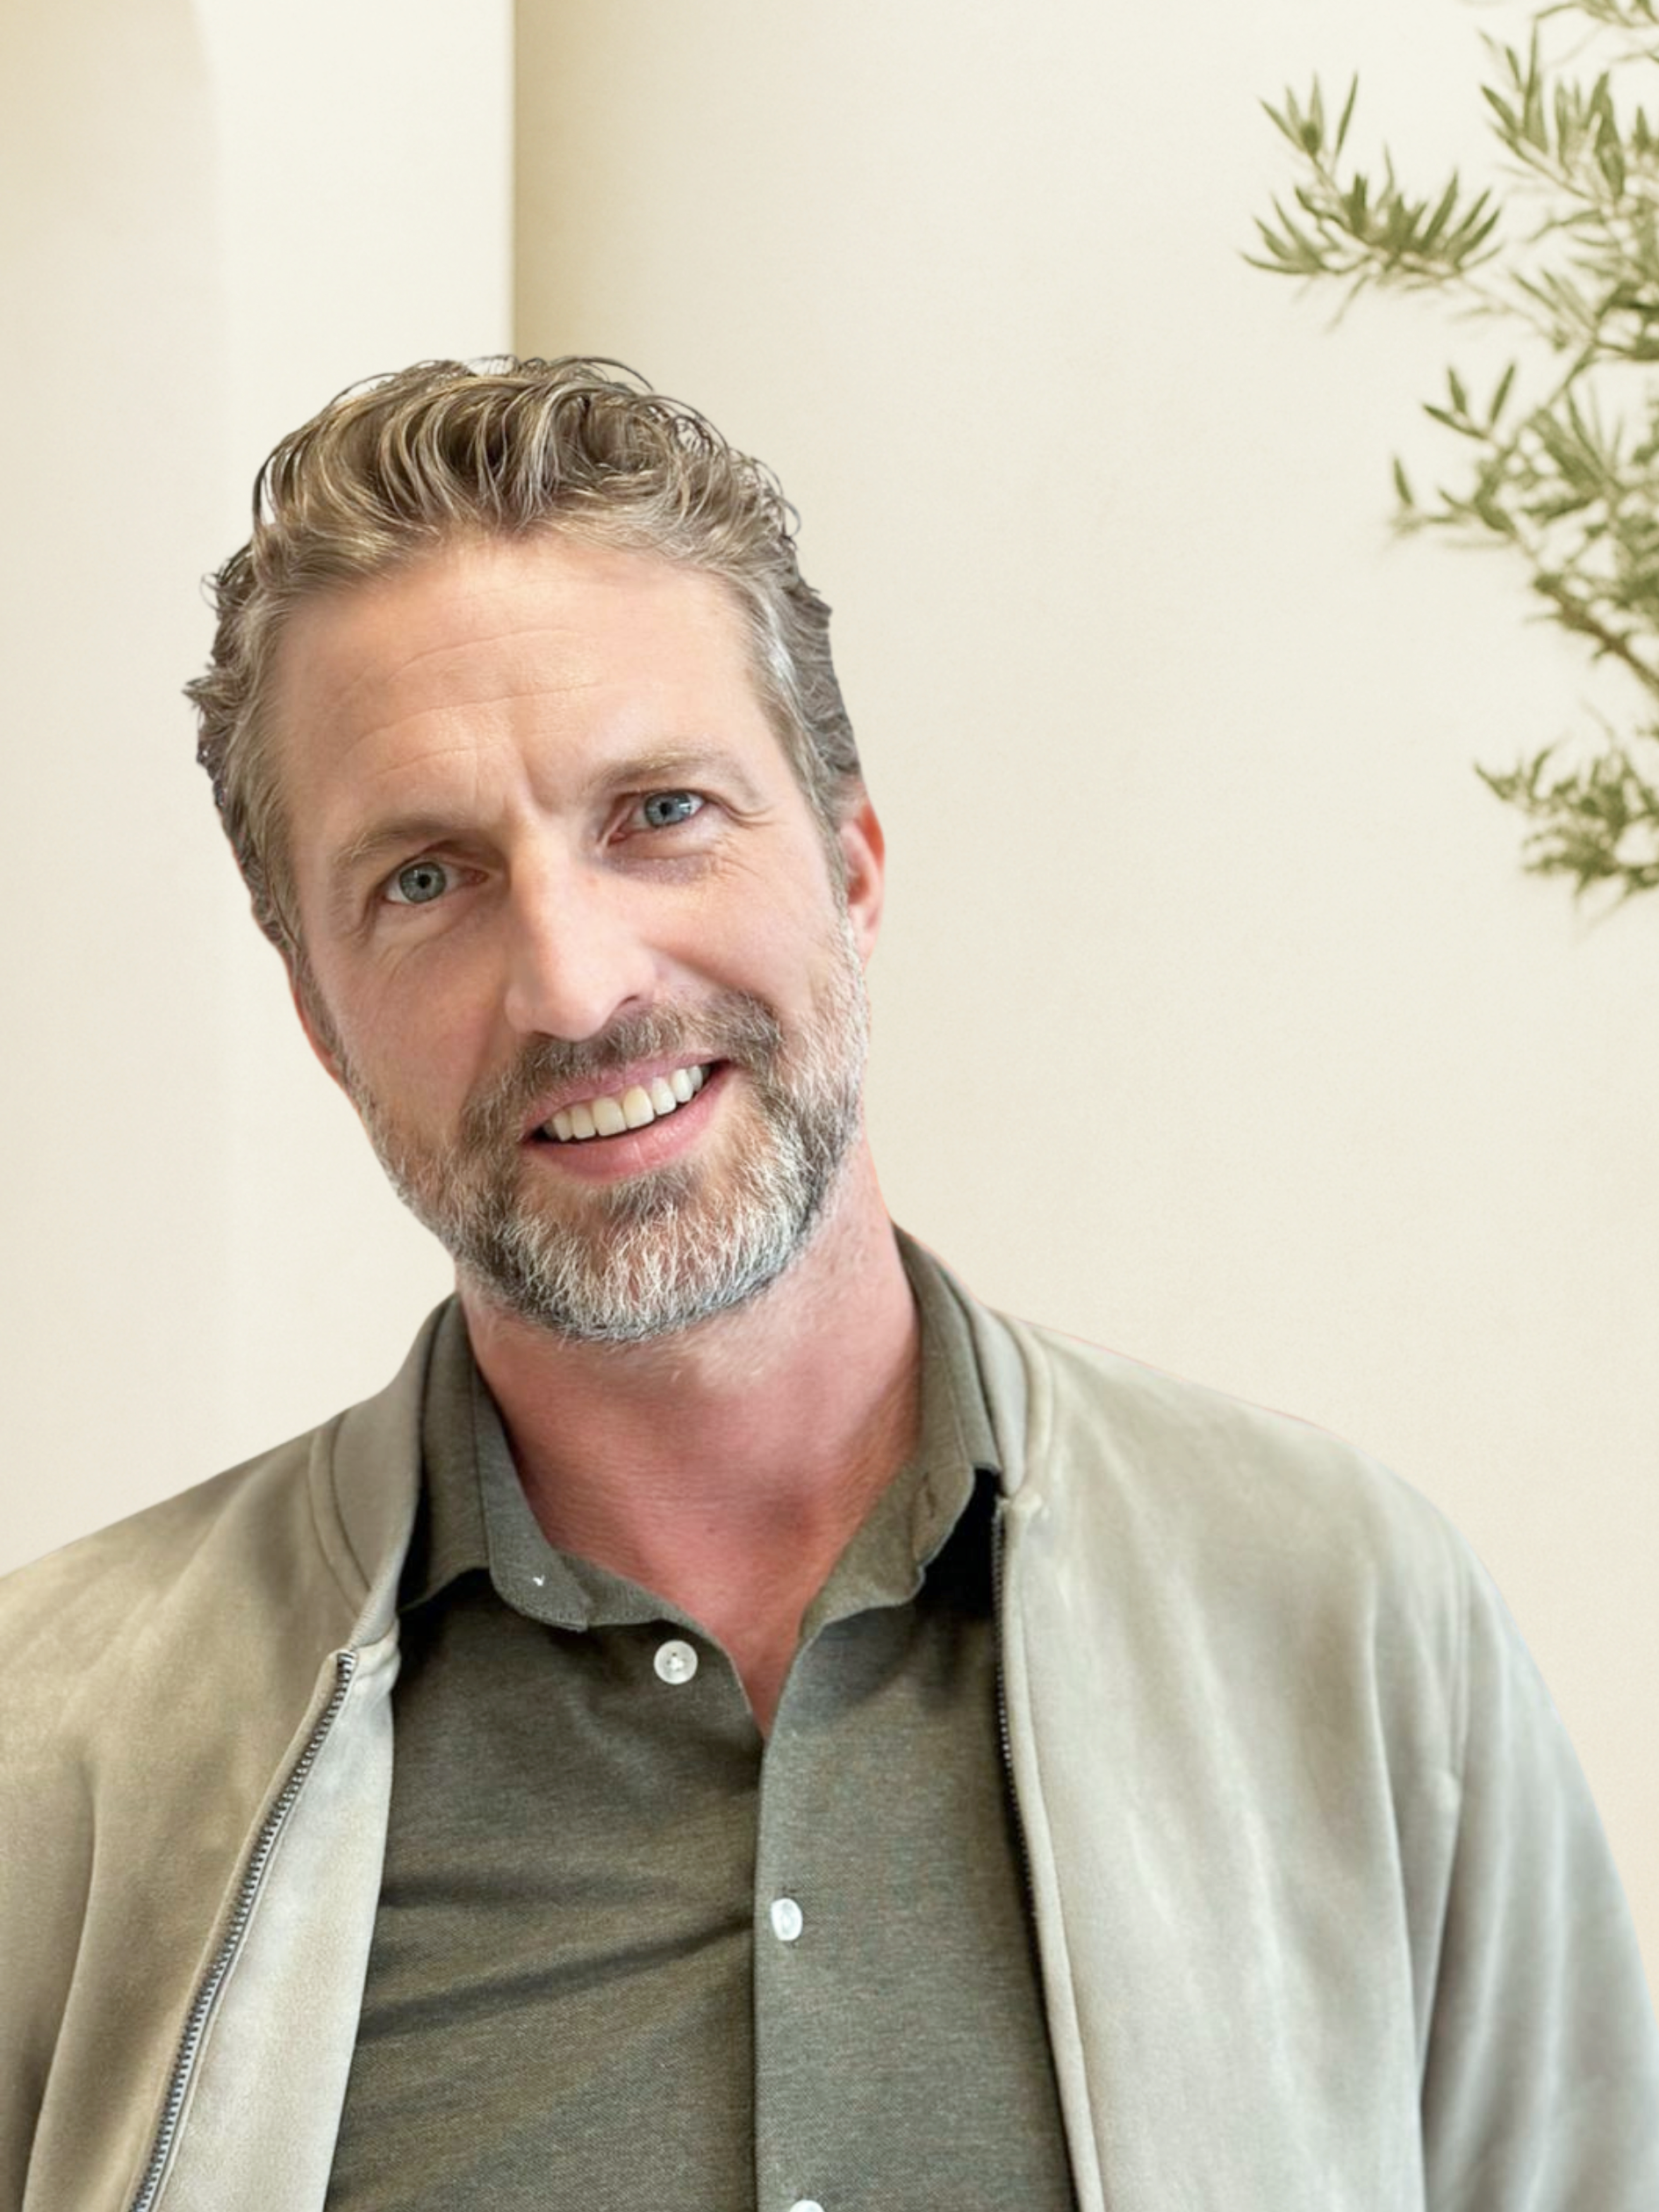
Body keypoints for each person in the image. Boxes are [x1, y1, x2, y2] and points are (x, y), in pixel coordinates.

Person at [2, 357, 1655, 2212]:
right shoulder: (50, 1760)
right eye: (426, 881)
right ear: (320, 1020)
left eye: (660, 813)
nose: (575, 981)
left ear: (852, 866)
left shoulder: (1345, 1617)